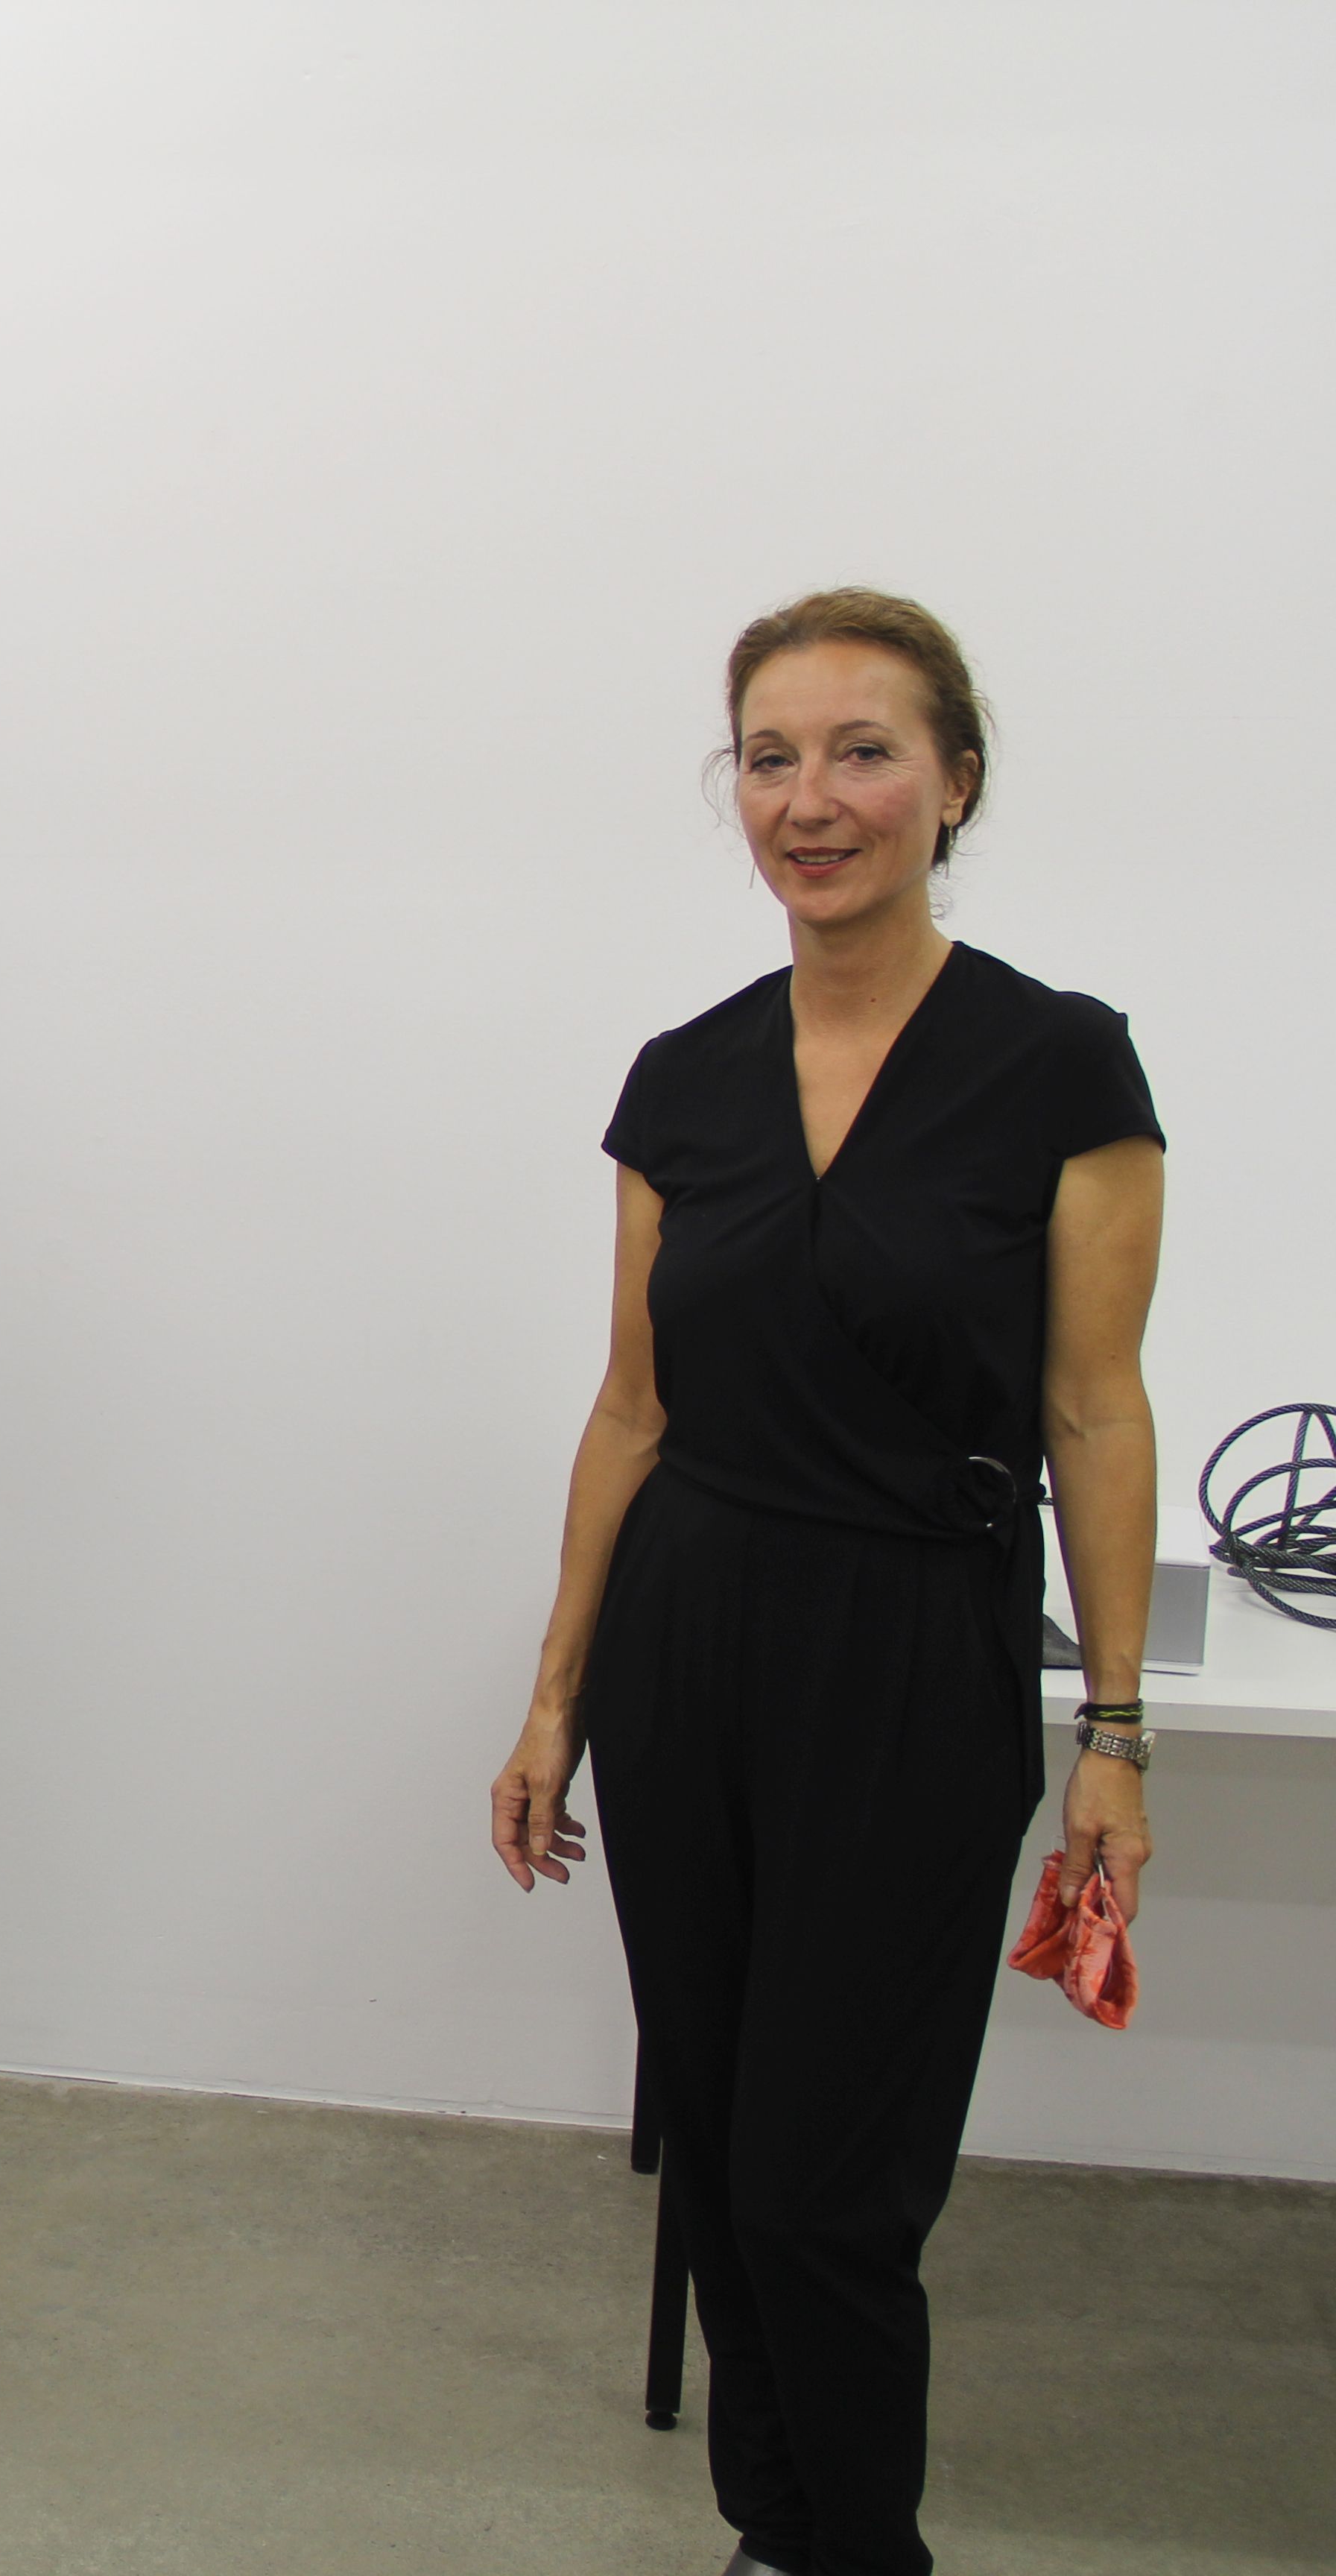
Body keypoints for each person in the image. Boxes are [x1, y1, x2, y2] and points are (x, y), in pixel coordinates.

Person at [489, 590, 1162, 2576]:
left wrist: (1113, 1735)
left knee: (831, 2185)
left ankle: (861, 2547)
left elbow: (1097, 1418)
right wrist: (556, 1697)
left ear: (954, 782)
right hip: (691, 1646)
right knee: (714, 2142)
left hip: (914, 1652)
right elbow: (631, 1411)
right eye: (770, 758)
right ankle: (774, 2532)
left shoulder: (1061, 1067)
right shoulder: (683, 1078)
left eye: (862, 752)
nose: (812, 799)